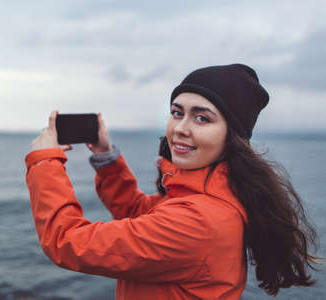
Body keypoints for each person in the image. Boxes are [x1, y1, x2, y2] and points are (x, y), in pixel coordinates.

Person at [25, 64, 319, 299]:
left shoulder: (199, 222)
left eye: (202, 118)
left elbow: (67, 242)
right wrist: (105, 156)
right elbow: (138, 212)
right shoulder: (206, 197)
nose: (179, 128)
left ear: (232, 137)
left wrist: (44, 161)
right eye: (177, 113)